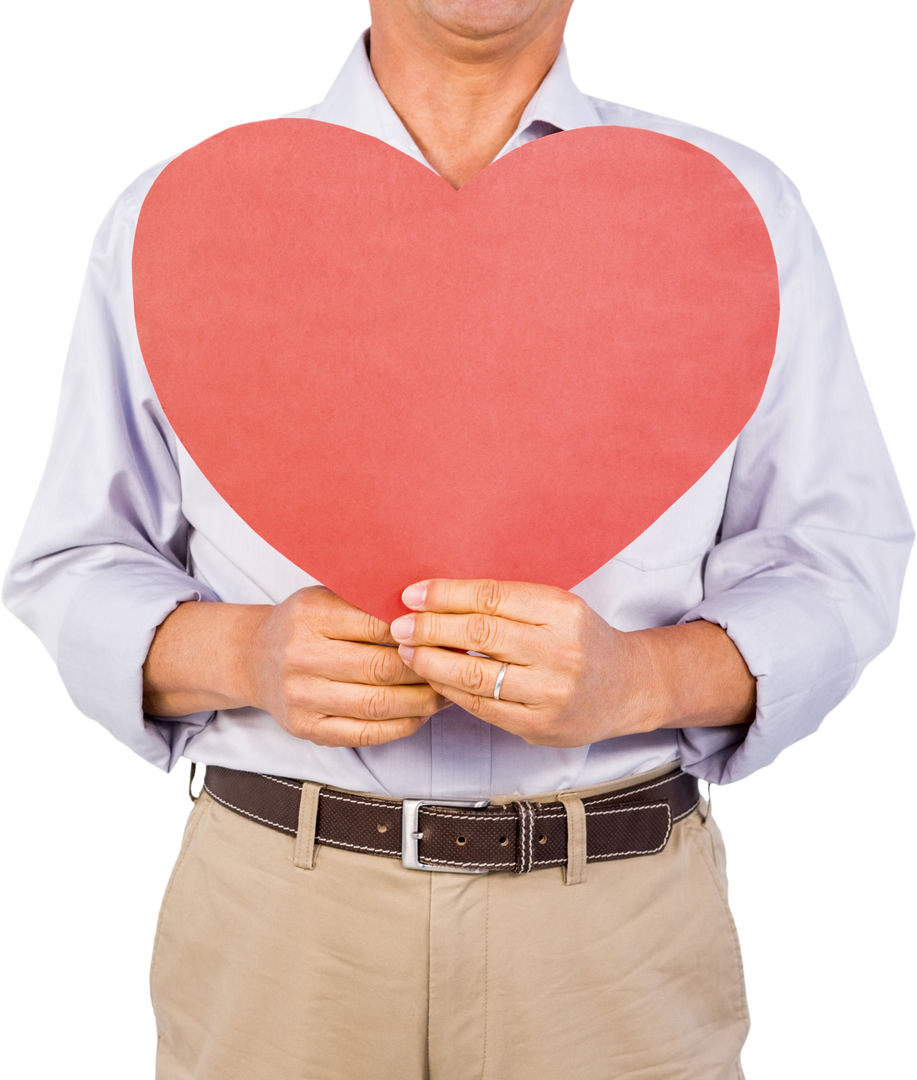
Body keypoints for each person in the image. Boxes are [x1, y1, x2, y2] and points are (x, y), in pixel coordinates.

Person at [2, 2, 912, 1077]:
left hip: (614, 930)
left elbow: (838, 561)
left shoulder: (734, 207)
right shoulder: (176, 210)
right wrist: (240, 653)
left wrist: (638, 679)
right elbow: (72, 560)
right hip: (276, 920)